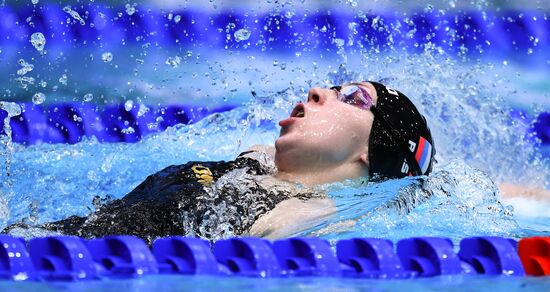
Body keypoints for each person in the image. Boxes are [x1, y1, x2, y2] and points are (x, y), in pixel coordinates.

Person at [2, 81, 440, 243]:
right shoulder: (257, 162)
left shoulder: (312, 213)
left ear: (372, 151)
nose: (319, 91)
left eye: (354, 98)